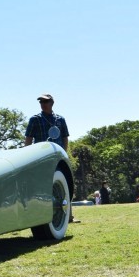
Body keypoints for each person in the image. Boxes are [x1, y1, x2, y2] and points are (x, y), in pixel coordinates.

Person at [25, 93, 79, 222]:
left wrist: (64, 154)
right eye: (41, 102)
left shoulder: (60, 119)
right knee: (42, 188)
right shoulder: (35, 119)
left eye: (45, 101)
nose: (43, 104)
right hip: (41, 158)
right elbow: (28, 139)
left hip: (58, 157)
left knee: (64, 186)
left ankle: (69, 216)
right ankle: (41, 217)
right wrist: (27, 156)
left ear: (52, 103)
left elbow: (65, 138)